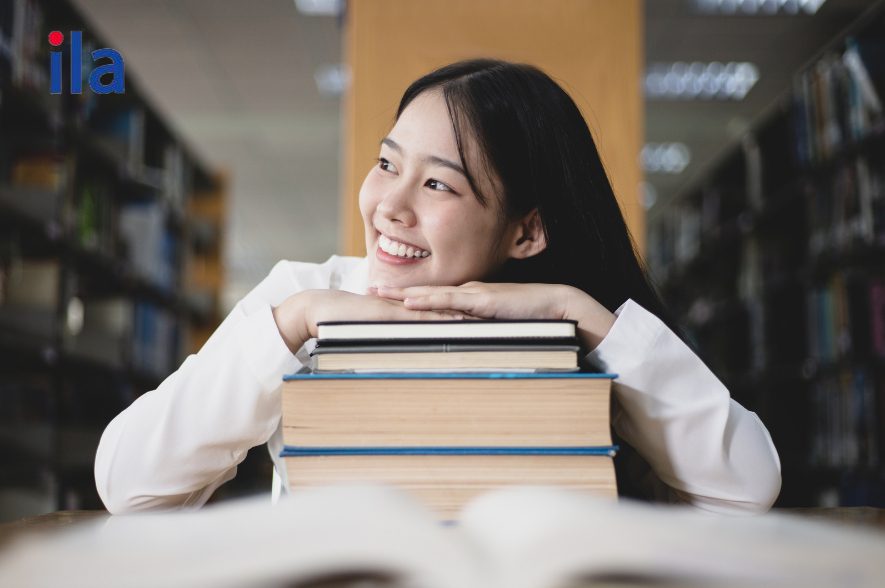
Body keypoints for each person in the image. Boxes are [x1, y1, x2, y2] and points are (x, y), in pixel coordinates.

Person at [94, 59, 781, 515]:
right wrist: (295, 319)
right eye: (387, 163)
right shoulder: (305, 295)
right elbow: (127, 486)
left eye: (436, 184)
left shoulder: (569, 327)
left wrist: (578, 313)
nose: (389, 205)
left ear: (526, 233)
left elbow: (748, 488)